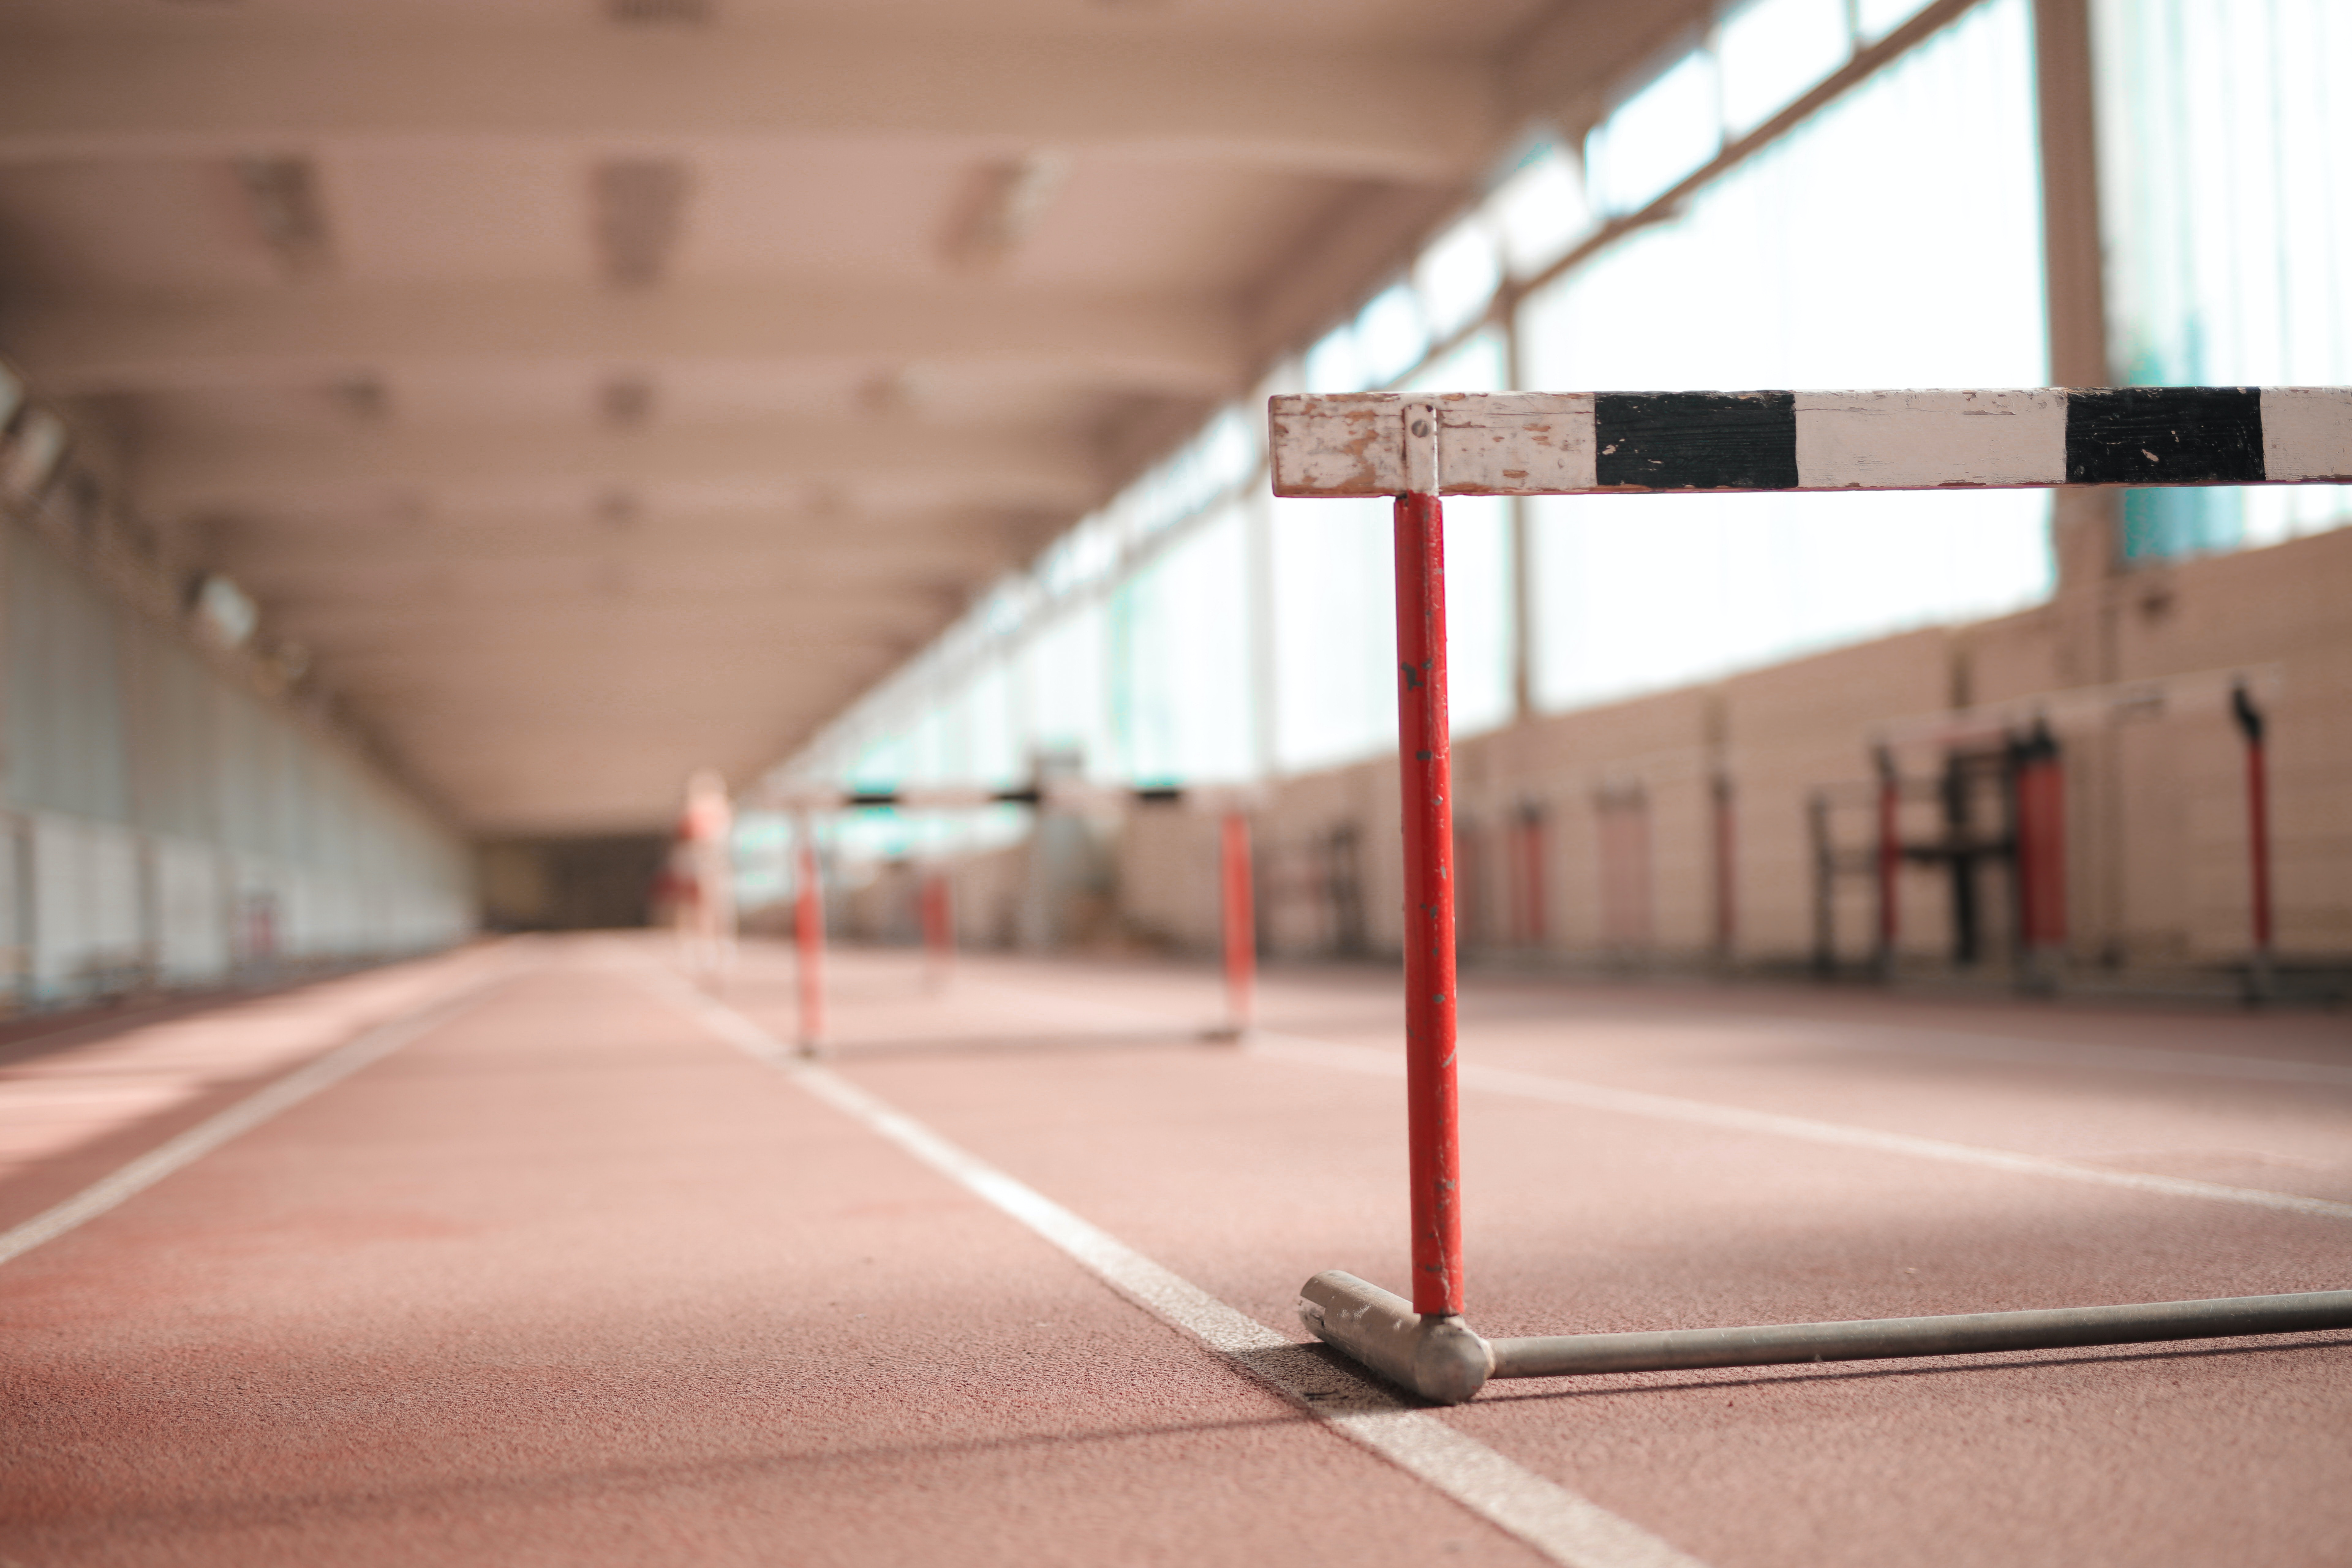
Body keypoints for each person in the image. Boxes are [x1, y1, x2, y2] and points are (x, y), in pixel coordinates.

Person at [671, 768, 737, 985]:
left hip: (717, 863)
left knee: (720, 909)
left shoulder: (723, 808)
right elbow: (691, 835)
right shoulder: (692, 810)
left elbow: (721, 834)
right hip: (699, 863)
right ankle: (702, 949)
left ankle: (722, 949)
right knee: (698, 909)